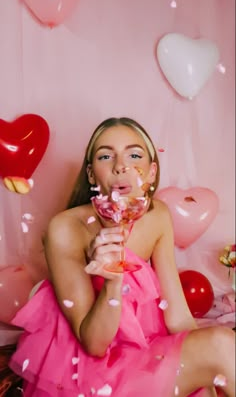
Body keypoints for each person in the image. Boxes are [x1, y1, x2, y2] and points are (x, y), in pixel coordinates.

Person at [9, 117, 235, 397]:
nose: (121, 166)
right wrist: (112, 281)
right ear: (92, 175)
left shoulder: (158, 215)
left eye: (134, 155)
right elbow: (94, 344)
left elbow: (177, 316)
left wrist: (208, 375)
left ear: (151, 173)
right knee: (221, 345)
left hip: (148, 353)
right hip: (92, 377)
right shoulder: (65, 228)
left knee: (221, 350)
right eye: (106, 156)